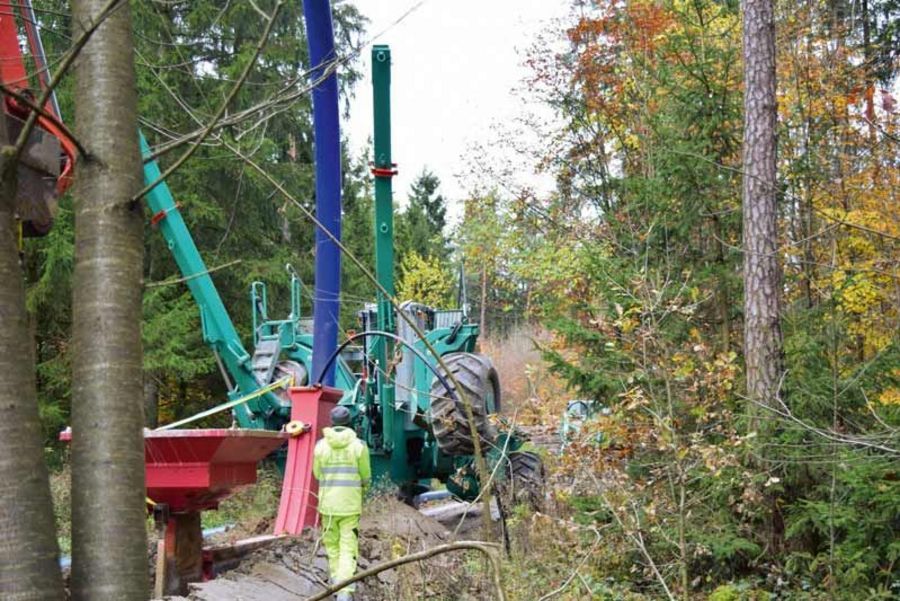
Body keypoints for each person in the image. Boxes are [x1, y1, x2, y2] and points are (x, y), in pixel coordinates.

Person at [312, 405, 371, 601]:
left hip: (327, 506)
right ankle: (344, 593)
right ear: (349, 422)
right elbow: (365, 477)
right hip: (350, 506)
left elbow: (317, 474)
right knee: (348, 548)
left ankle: (337, 586)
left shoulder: (320, 446)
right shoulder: (359, 446)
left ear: (332, 422)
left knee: (332, 547)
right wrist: (362, 490)